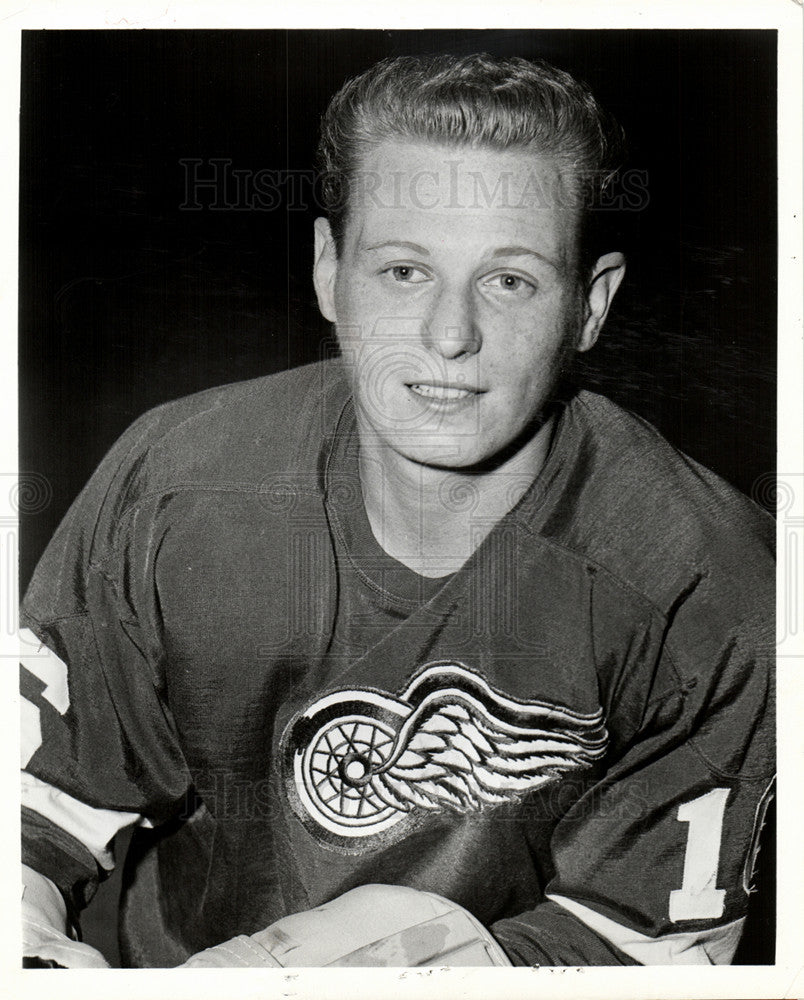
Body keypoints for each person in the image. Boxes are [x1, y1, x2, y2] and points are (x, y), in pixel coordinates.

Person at [20, 52, 774, 968]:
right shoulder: (179, 484)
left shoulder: (709, 580)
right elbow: (29, 814)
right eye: (405, 271)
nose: (450, 337)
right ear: (329, 270)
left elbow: (652, 948)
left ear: (591, 305)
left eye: (510, 280)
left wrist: (469, 971)